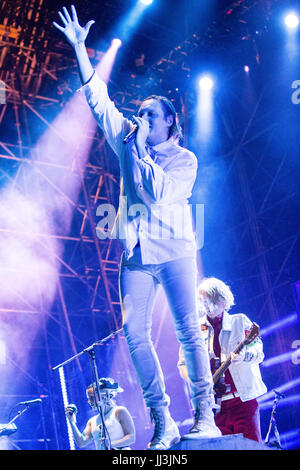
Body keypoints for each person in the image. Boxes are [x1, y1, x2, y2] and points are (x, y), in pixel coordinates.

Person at [54, 5, 221, 450]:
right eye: (140, 113)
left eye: (151, 114)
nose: (141, 118)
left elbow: (156, 193)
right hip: (137, 254)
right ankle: (162, 418)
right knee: (134, 333)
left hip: (176, 250)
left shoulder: (183, 160)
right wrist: (79, 51)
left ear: (169, 122)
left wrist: (137, 150)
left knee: (189, 330)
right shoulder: (129, 138)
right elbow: (99, 102)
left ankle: (205, 415)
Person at [178, 277, 267, 442]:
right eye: (203, 300)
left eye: (211, 300)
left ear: (222, 300)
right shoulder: (195, 330)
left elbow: (258, 351)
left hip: (243, 402)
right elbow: (183, 364)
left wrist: (245, 355)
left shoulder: (240, 321)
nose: (207, 305)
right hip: (214, 407)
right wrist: (201, 381)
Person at [65, 377, 136, 450]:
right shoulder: (92, 421)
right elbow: (81, 442)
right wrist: (72, 422)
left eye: (92, 397)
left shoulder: (119, 411)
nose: (89, 401)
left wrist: (111, 444)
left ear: (104, 395)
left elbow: (131, 437)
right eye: (88, 398)